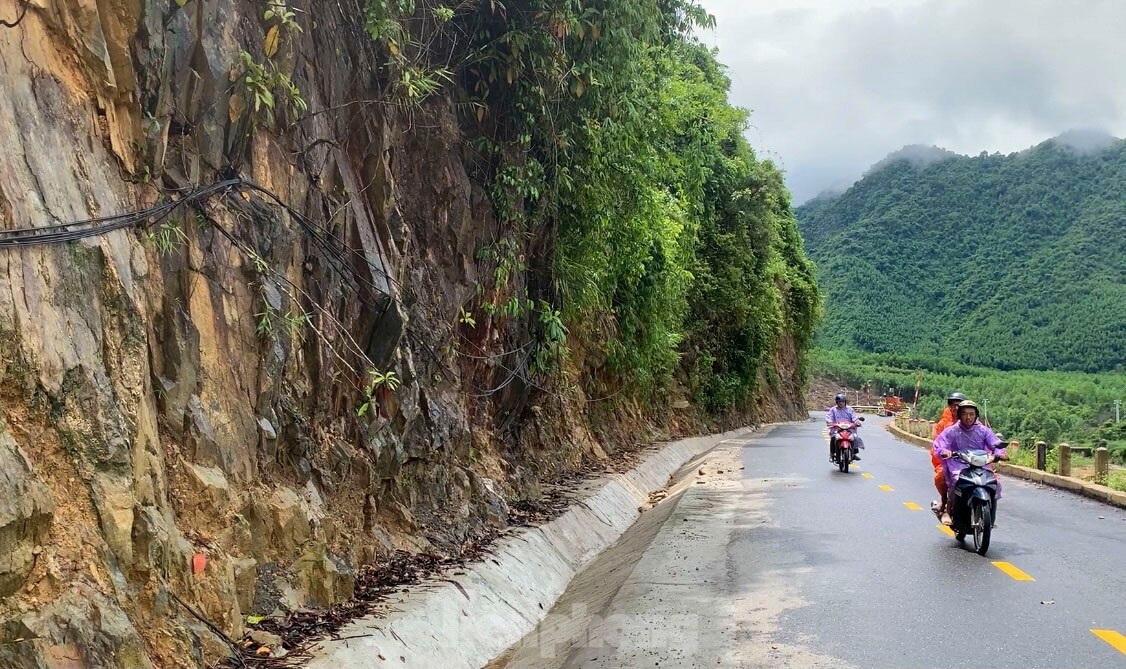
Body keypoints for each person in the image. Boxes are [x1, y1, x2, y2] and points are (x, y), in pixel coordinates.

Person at [931, 400, 1007, 525]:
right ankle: (948, 511)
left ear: (976, 415)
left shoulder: (983, 430)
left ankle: (990, 515)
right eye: (965, 414)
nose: (968, 417)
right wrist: (945, 451)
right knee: (956, 481)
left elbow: (995, 443)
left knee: (995, 483)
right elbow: (940, 444)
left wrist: (1000, 453)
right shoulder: (951, 431)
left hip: (980, 463)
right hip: (958, 463)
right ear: (959, 415)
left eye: (971, 414)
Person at [929, 392, 966, 517]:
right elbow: (937, 443)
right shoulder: (944, 424)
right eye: (953, 405)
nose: (956, 408)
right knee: (941, 477)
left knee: (992, 479)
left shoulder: (971, 421)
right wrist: (944, 452)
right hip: (949, 460)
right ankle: (945, 502)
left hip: (968, 459)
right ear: (950, 406)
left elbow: (985, 437)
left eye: (959, 405)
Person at [826, 393, 861, 462]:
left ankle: (854, 453)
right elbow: (829, 417)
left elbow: (854, 417)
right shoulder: (833, 410)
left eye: (842, 402)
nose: (841, 403)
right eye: (839, 402)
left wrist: (857, 422)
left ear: (845, 402)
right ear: (836, 402)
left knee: (855, 437)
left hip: (849, 429)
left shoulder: (850, 409)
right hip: (837, 429)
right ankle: (832, 453)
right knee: (833, 438)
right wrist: (829, 422)